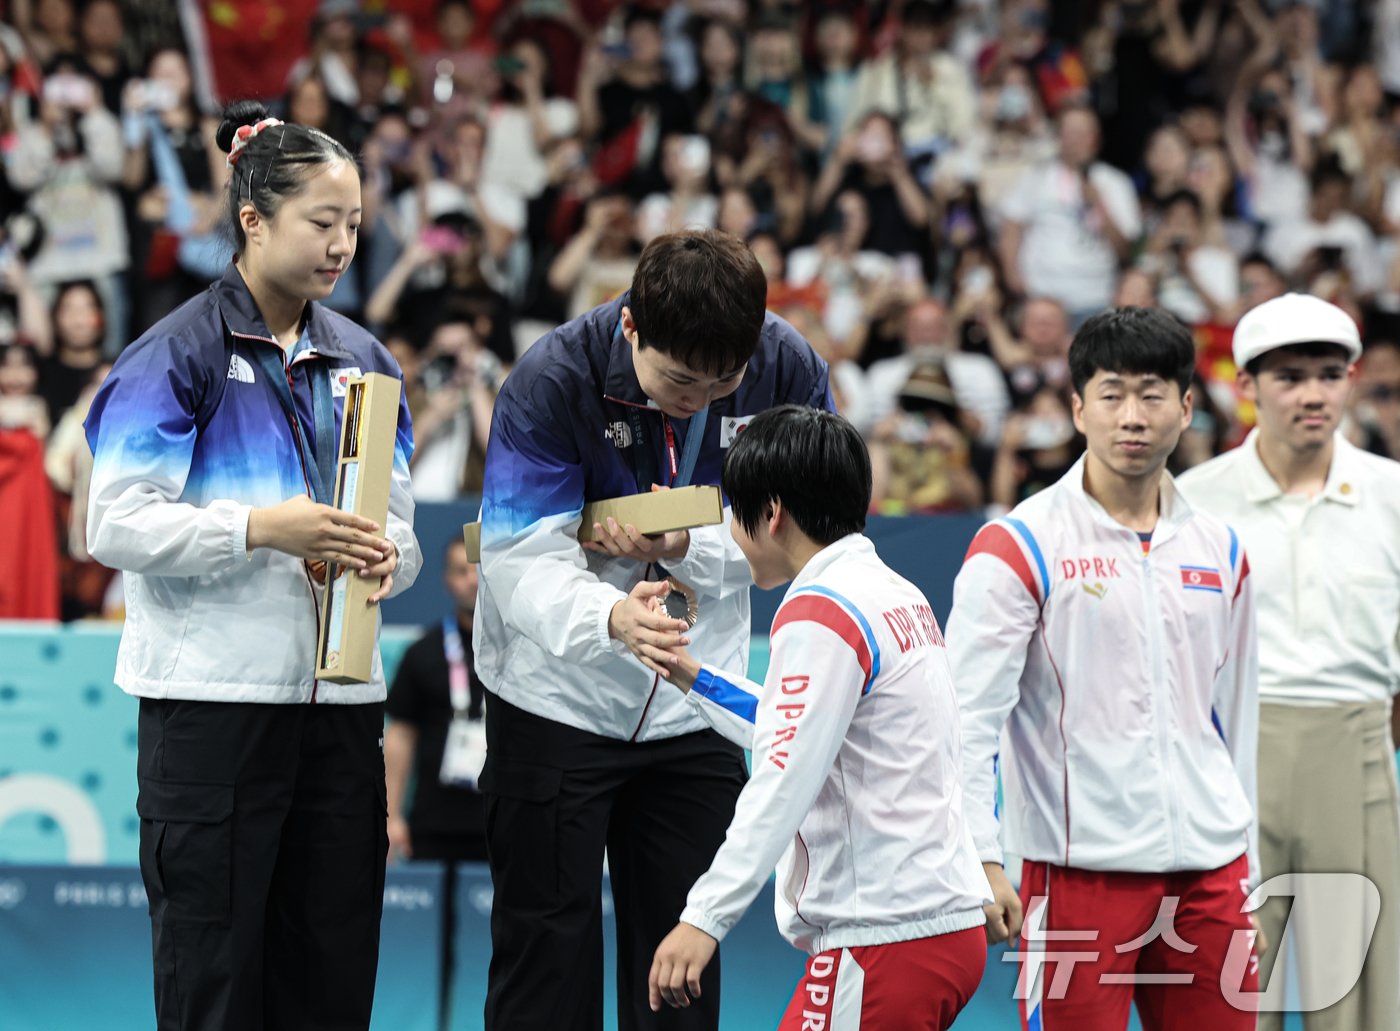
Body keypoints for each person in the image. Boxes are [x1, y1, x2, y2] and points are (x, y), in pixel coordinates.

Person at [83, 100, 420, 1031]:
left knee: (332, 978)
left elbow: (400, 521)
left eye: (353, 224)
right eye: (322, 221)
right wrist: (261, 529)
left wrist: (388, 555)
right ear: (254, 219)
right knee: (215, 981)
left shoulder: (364, 358)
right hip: (213, 714)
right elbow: (113, 523)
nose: (342, 244)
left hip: (343, 713)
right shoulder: (174, 352)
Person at [474, 227, 831, 1031]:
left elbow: (809, 532)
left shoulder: (787, 368)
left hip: (693, 700)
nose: (697, 398)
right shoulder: (551, 380)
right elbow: (515, 557)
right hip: (555, 701)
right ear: (630, 325)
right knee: (544, 958)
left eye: (721, 382)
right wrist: (609, 617)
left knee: (680, 965)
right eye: (677, 378)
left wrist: (684, 543)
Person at [946, 306, 1261, 1030]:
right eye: (1112, 394)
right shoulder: (1019, 545)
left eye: (1153, 395)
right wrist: (981, 855)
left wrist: (1249, 870)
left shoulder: (1223, 549)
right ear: (1078, 407)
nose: (1133, 416)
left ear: (1187, 407)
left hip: (1212, 873)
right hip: (1074, 870)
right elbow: (964, 719)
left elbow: (1236, 720)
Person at [642, 405, 991, 1030]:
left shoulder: (819, 609)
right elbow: (799, 732)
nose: (732, 532)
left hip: (882, 936)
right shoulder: (892, 591)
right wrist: (688, 672)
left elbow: (782, 777)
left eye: (735, 515)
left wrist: (703, 917)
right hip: (934, 929)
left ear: (771, 512)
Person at [1177, 293, 1400, 1031]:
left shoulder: (1391, 496)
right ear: (1246, 387)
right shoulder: (1195, 504)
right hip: (1231, 759)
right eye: (1290, 376)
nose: (1313, 394)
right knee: (1238, 985)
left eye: (1330, 375)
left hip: (1359, 748)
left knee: (1365, 988)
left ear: (1351, 381)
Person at [385, 536, 489, 1031]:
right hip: (433, 823)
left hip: (501, 824)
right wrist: (391, 815)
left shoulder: (520, 652)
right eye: (459, 571)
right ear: (447, 580)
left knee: (501, 945)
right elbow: (400, 738)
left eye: (478, 569)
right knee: (434, 947)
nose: (470, 578)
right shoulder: (424, 653)